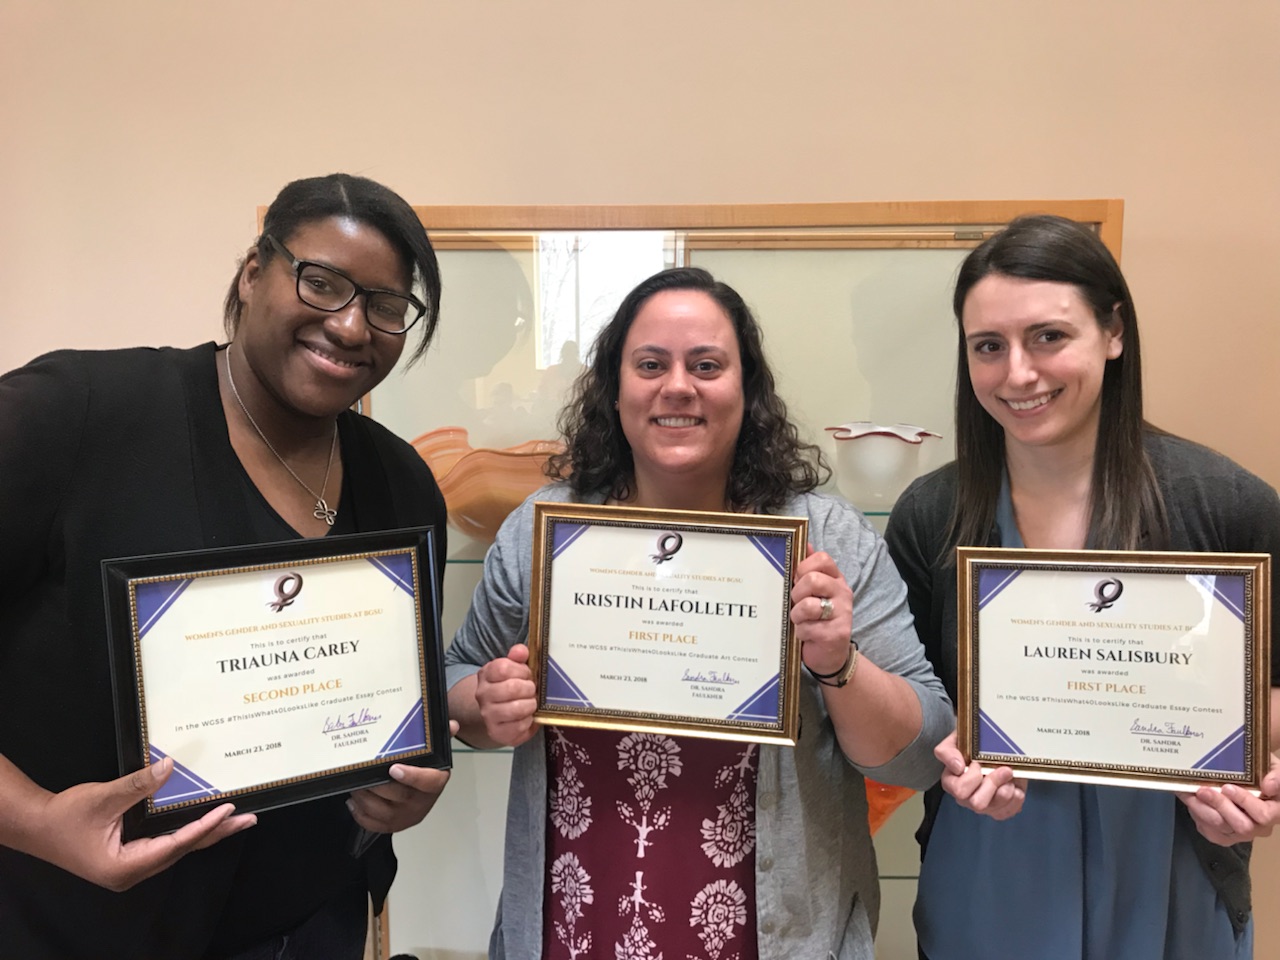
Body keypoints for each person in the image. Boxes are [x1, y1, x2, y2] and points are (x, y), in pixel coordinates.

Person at [0, 173, 455, 959]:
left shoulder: (401, 482)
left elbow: (390, 716)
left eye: (386, 306)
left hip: (315, 927)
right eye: (322, 282)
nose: (352, 327)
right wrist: (37, 821)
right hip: (77, 926)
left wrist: (404, 792)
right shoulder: (75, 416)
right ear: (253, 272)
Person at [446, 266, 953, 959]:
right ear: (614, 389)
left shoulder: (826, 541)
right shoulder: (543, 534)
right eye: (650, 364)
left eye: (707, 365)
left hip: (773, 935)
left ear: (747, 389)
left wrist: (839, 664)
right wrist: (484, 701)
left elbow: (923, 755)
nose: (677, 386)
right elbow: (458, 684)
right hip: (574, 924)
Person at [883, 214, 1280, 959]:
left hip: (1175, 884)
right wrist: (951, 753)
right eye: (988, 347)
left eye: (1049, 337)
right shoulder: (932, 517)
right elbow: (918, 711)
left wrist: (1252, 777)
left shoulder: (1222, 503)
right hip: (986, 879)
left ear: (1114, 332)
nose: (1018, 374)